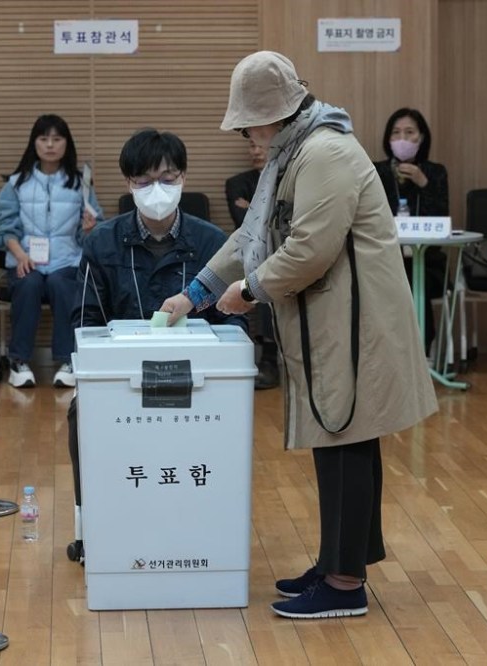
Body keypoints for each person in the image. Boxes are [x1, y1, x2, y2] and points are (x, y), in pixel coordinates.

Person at [161, 51, 438, 619]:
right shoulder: (295, 153)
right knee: (338, 442)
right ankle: (338, 563)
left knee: (347, 440)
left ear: (273, 115)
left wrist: (250, 292)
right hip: (332, 324)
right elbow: (250, 236)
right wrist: (198, 291)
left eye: (248, 123)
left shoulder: (326, 152)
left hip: (355, 326)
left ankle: (343, 585)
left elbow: (310, 249)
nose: (246, 135)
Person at [65, 128, 248, 561]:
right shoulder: (101, 242)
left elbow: (227, 322)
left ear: (183, 177)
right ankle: (95, 524)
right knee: (80, 413)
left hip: (198, 380)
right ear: (128, 184)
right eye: (144, 181)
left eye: (167, 178)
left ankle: (206, 524)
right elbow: (86, 321)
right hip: (120, 380)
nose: (156, 190)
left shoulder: (210, 243)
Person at [0, 114, 104, 388]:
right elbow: (4, 227)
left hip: (67, 259)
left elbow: (92, 231)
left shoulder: (81, 184)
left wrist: (89, 228)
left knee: (62, 284)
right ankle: (18, 361)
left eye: (57, 139)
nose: (50, 145)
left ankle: (68, 360)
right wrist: (20, 256)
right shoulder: (16, 183)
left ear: (67, 144)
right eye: (44, 139)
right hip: (25, 258)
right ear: (35, 143)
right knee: (28, 285)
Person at [373, 108, 450, 353]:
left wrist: (423, 184)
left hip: (428, 260)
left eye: (409, 133)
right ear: (388, 139)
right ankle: (389, 352)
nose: (402, 139)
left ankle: (422, 350)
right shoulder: (377, 171)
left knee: (416, 277)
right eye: (396, 133)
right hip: (385, 258)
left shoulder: (435, 172)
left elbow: (441, 220)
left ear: (422, 137)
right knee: (391, 277)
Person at [225, 138, 279, 390]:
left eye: (261, 145)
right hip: (255, 253)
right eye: (252, 146)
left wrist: (253, 208)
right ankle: (268, 358)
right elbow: (247, 226)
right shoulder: (236, 183)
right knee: (264, 274)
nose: (256, 151)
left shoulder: (288, 178)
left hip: (288, 250)